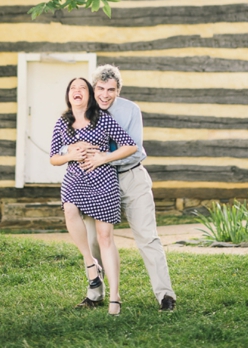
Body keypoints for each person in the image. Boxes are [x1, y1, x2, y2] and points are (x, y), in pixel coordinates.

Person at [63, 64, 177, 312]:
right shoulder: (84, 111)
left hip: (130, 177)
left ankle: (165, 296)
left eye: (111, 90)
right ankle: (96, 294)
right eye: (100, 88)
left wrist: (103, 157)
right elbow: (64, 142)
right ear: (94, 89)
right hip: (96, 182)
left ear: (118, 91)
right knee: (95, 241)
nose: (105, 94)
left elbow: (133, 147)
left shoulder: (130, 110)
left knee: (147, 237)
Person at [49, 77, 138, 316]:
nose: (77, 91)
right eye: (72, 88)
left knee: (105, 236)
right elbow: (53, 158)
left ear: (89, 96)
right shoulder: (62, 123)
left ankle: (115, 296)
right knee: (69, 210)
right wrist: (70, 154)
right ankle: (91, 264)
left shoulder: (102, 119)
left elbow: (130, 146)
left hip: (103, 180)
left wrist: (103, 157)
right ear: (68, 95)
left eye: (82, 88)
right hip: (75, 180)